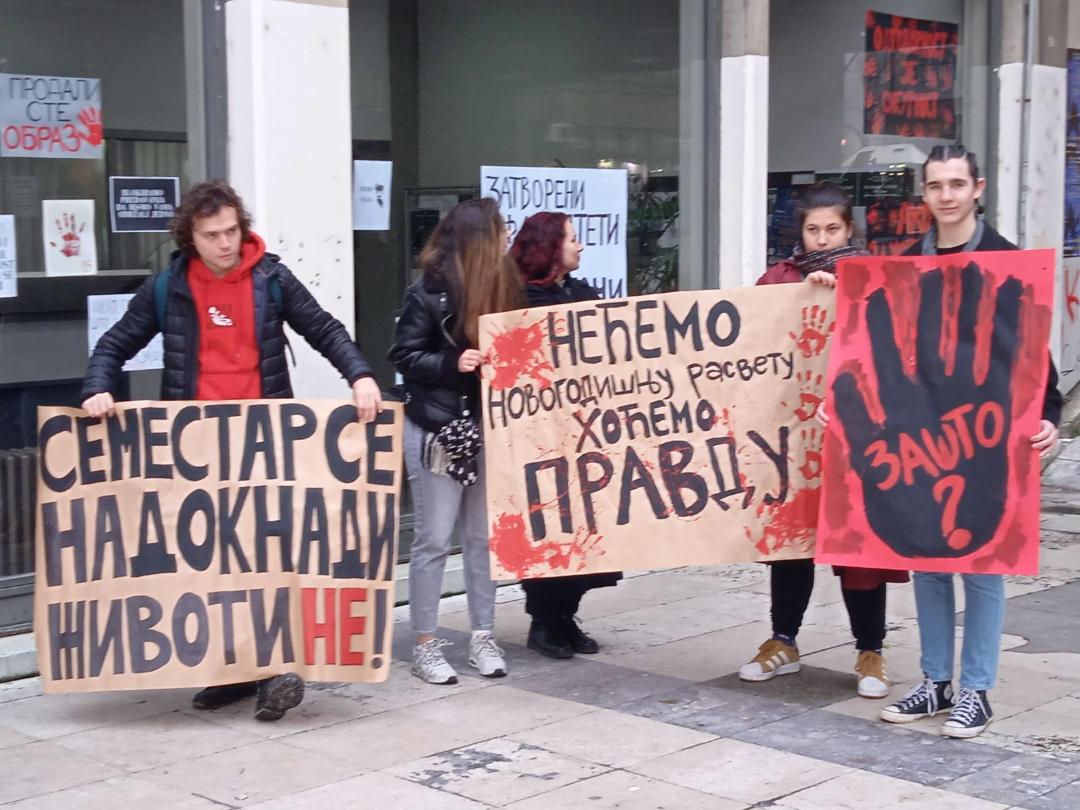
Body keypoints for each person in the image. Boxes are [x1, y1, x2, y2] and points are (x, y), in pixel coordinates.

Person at [81, 179, 382, 722]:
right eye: (212, 235)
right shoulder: (166, 287)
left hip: (262, 447)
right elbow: (114, 342)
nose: (226, 243)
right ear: (189, 238)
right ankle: (233, 673)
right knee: (212, 566)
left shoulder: (273, 279)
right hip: (194, 449)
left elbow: (325, 330)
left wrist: (359, 375)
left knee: (264, 558)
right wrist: (98, 385)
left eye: (232, 231)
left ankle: (274, 672)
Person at [876, 144, 1061, 738]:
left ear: (977, 187)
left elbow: (1037, 359)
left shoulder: (1008, 263)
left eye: (957, 184)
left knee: (982, 564)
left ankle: (975, 691)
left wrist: (1051, 413)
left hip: (989, 438)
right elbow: (874, 344)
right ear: (924, 194)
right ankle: (935, 682)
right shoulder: (906, 264)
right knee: (928, 562)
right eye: (936, 186)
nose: (947, 195)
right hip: (923, 434)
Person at [742, 182, 907, 698]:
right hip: (792, 434)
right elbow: (749, 336)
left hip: (858, 434)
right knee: (791, 541)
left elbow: (896, 342)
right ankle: (783, 641)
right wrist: (798, 299)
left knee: (860, 546)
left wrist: (845, 294)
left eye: (831, 229)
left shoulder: (874, 277)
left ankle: (870, 651)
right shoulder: (780, 278)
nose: (821, 238)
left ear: (849, 229)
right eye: (812, 230)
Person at [389, 197, 523, 684]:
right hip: (437, 428)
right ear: (481, 240)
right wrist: (451, 363)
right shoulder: (427, 292)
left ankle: (482, 635)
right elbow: (402, 354)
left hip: (487, 426)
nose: (507, 237)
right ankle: (425, 643)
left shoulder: (506, 285)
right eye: (500, 230)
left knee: (481, 538)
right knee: (432, 541)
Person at [508, 212, 622, 659]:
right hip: (538, 436)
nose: (580, 246)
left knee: (584, 529)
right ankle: (544, 620)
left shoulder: (583, 295)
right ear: (550, 247)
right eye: (573, 239)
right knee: (548, 527)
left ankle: (566, 614)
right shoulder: (514, 301)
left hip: (583, 435)